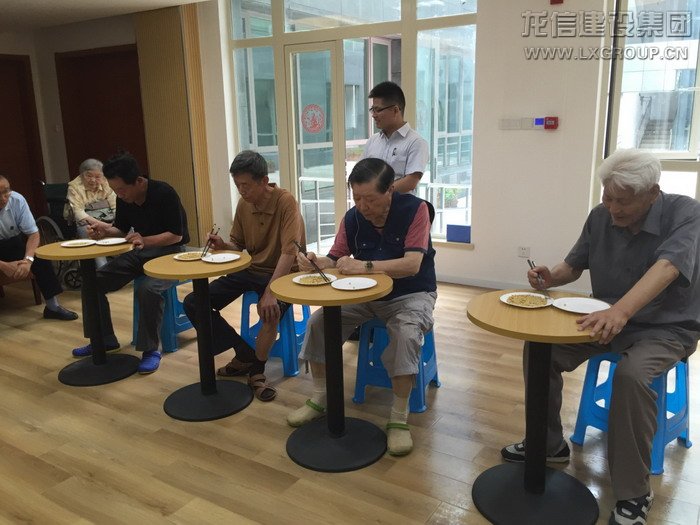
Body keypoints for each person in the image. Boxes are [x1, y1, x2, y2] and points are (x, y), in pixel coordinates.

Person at [500, 149, 700, 525]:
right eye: (608, 197)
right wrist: (551, 276)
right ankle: (548, 444)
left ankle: (634, 493)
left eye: (623, 201)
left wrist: (621, 311)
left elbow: (668, 267)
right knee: (541, 349)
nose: (613, 208)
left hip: (666, 326)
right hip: (603, 318)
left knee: (631, 376)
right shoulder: (600, 215)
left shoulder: (685, 212)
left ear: (652, 193)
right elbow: (573, 265)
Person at [286, 157, 437, 456]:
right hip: (365, 294)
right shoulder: (353, 218)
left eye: (370, 199)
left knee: (406, 334)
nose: (363, 206)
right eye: (356, 198)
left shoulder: (416, 210)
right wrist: (318, 262)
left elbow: (412, 264)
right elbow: (336, 257)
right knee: (318, 323)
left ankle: (398, 418)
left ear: (390, 190)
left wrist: (365, 266)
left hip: (411, 293)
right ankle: (320, 397)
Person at [183, 150, 305, 401]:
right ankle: (244, 353)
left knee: (268, 310)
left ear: (264, 181)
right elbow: (238, 246)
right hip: (251, 269)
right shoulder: (243, 204)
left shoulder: (285, 202)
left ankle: (257, 371)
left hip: (283, 274)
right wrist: (222, 245)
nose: (241, 191)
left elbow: (289, 252)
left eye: (246, 185)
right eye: (237, 185)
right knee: (195, 302)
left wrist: (271, 292)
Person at [71, 152, 190, 374]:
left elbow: (176, 235)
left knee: (148, 288)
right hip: (142, 253)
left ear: (139, 181)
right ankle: (103, 339)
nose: (119, 194)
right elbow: (122, 230)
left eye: (122, 189)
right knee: (92, 282)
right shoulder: (124, 197)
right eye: (115, 190)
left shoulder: (164, 192)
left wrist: (145, 240)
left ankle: (151, 349)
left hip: (172, 253)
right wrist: (104, 231)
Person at [0, 175, 78, 320]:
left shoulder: (17, 200)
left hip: (11, 242)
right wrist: (4, 266)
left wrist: (28, 260)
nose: (4, 198)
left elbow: (33, 234)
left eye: (6, 191)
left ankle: (52, 307)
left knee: (39, 257)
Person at [361, 81, 429, 194]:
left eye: (378, 110)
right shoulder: (372, 141)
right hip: (371, 204)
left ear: (395, 110)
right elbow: (361, 173)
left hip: (401, 204)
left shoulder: (416, 142)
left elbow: (411, 182)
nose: (374, 115)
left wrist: (378, 193)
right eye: (372, 110)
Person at [65, 158, 117, 267]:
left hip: (109, 218)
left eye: (98, 177)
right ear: (81, 175)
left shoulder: (107, 182)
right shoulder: (74, 187)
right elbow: (79, 213)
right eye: (89, 176)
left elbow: (115, 205)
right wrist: (105, 226)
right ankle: (103, 269)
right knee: (94, 242)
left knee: (128, 230)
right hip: (86, 222)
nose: (93, 180)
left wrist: (117, 223)